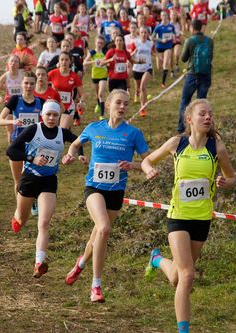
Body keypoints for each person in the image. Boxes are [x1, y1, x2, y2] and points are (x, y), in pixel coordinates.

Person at [141, 99, 236, 333]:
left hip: (202, 219)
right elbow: (147, 159)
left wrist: (225, 182)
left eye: (210, 114)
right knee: (188, 274)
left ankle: (157, 260)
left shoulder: (217, 147)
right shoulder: (177, 143)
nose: (208, 118)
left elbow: (232, 177)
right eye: (202, 114)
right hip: (179, 216)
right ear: (189, 119)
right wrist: (149, 169)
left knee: (178, 278)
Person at [62, 89, 150, 303]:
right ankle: (96, 286)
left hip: (116, 192)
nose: (122, 107)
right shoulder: (94, 128)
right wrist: (70, 156)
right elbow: (75, 145)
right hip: (94, 188)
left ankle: (81, 263)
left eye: (126, 104)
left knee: (98, 234)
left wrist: (135, 166)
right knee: (104, 228)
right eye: (118, 103)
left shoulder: (133, 133)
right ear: (108, 104)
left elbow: (148, 161)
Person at [6, 101, 84, 277]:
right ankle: (17, 217)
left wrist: (76, 156)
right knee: (22, 219)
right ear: (42, 115)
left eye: (55, 115)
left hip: (49, 181)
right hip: (29, 179)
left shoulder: (62, 133)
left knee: (44, 222)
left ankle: (39, 263)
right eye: (48, 114)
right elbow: (11, 151)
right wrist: (31, 158)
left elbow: (78, 141)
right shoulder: (33, 130)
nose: (51, 118)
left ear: (59, 117)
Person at [0, 72, 43, 195]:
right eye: (26, 83)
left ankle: (33, 202)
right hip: (17, 144)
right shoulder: (15, 100)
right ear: (21, 84)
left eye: (31, 83)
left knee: (33, 178)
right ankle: (19, 211)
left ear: (35, 85)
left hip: (34, 145)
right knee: (18, 181)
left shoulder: (41, 102)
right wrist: (13, 121)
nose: (28, 86)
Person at [176, 19, 213, 134]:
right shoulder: (209, 41)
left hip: (192, 75)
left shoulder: (189, 41)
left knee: (185, 101)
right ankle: (200, 128)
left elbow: (183, 58)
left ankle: (181, 128)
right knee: (201, 103)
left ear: (192, 28)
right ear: (201, 27)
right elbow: (210, 57)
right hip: (206, 75)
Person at [47, 52, 84, 129]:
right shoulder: (52, 73)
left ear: (70, 61)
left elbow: (82, 94)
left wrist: (81, 102)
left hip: (68, 107)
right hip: (55, 106)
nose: (64, 62)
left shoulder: (74, 76)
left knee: (62, 132)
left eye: (66, 60)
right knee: (52, 131)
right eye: (62, 59)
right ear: (59, 61)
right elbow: (42, 85)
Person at [0, 55, 24, 144]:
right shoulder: (5, 77)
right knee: (10, 130)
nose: (13, 63)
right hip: (9, 104)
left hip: (21, 103)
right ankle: (11, 151)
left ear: (19, 64)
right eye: (11, 61)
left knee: (22, 128)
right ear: (8, 63)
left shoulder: (22, 75)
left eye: (16, 62)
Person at [128, 27, 154, 117]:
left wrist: (160, 58)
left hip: (148, 68)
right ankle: (136, 93)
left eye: (145, 32)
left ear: (147, 34)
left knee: (143, 87)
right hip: (137, 68)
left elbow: (154, 52)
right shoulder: (135, 43)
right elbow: (129, 56)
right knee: (138, 88)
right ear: (139, 34)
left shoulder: (150, 43)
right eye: (142, 32)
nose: (143, 34)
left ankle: (142, 108)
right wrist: (134, 52)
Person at [83, 35, 108, 120]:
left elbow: (109, 62)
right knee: (97, 94)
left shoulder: (105, 52)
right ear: (95, 43)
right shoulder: (92, 52)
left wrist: (106, 63)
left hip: (103, 75)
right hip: (95, 75)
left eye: (101, 43)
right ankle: (98, 104)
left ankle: (102, 115)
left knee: (101, 94)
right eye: (98, 43)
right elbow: (84, 63)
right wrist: (94, 61)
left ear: (103, 44)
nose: (99, 44)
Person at [152, 10, 175, 88]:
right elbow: (153, 37)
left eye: (165, 15)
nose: (164, 17)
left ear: (168, 16)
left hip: (168, 46)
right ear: (160, 17)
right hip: (159, 47)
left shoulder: (171, 26)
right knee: (159, 66)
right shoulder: (158, 26)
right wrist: (161, 40)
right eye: (163, 15)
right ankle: (165, 70)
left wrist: (173, 37)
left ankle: (163, 83)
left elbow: (174, 34)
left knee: (165, 63)